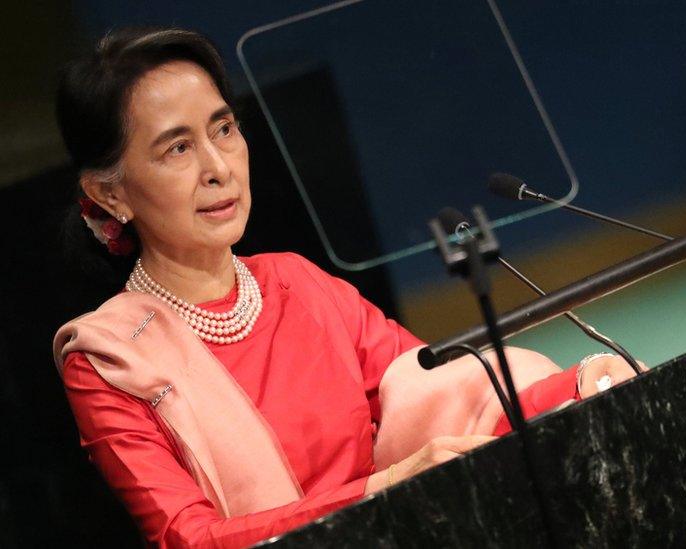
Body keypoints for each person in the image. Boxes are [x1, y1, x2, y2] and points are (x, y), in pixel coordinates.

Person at [52, 27, 642, 548]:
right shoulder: (109, 359)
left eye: (224, 129)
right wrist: (380, 490)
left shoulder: (298, 284)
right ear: (111, 195)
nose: (219, 167)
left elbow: (449, 397)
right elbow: (192, 539)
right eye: (178, 148)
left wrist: (587, 388)